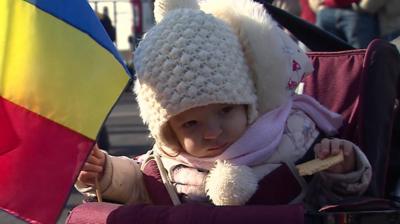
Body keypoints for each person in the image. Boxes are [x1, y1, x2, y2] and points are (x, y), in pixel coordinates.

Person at [76, 0, 371, 208]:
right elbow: (136, 183)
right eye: (191, 123)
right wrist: (105, 172)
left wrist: (343, 165)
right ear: (170, 133)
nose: (212, 131)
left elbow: (334, 200)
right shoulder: (166, 163)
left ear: (248, 105)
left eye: (226, 110)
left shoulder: (293, 134)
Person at [308, 0, 379, 48]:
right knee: (325, 55)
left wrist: (364, 6)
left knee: (361, 57)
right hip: (326, 12)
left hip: (356, 12)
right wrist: (318, 6)